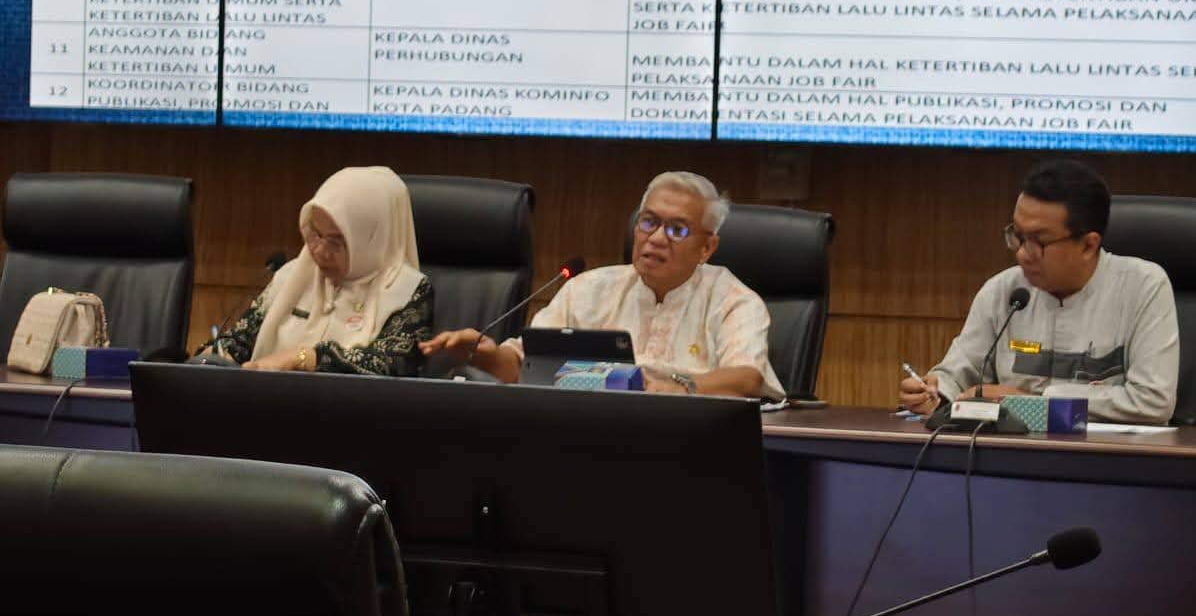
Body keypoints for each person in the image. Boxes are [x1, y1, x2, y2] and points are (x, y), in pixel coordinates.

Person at [419, 171, 785, 399]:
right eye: (648, 222)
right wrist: (481, 353)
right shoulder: (588, 290)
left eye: (677, 229)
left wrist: (678, 389)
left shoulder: (732, 299)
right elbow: (526, 367)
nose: (657, 238)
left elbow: (747, 378)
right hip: (586, 441)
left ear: (707, 248)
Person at [898, 159, 1179, 424]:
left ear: (1088, 245)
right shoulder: (1003, 291)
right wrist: (935, 391)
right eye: (1018, 236)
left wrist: (1033, 402)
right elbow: (959, 371)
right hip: (1011, 453)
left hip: (1106, 455)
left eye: (1038, 241)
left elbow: (1153, 401)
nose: (1022, 254)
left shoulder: (1142, 287)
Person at [202, 166, 432, 375]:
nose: (320, 251)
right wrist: (216, 358)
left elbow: (392, 364)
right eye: (316, 234)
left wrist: (305, 358)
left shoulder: (407, 291)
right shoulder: (291, 276)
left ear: (372, 239)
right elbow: (239, 341)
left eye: (336, 241)